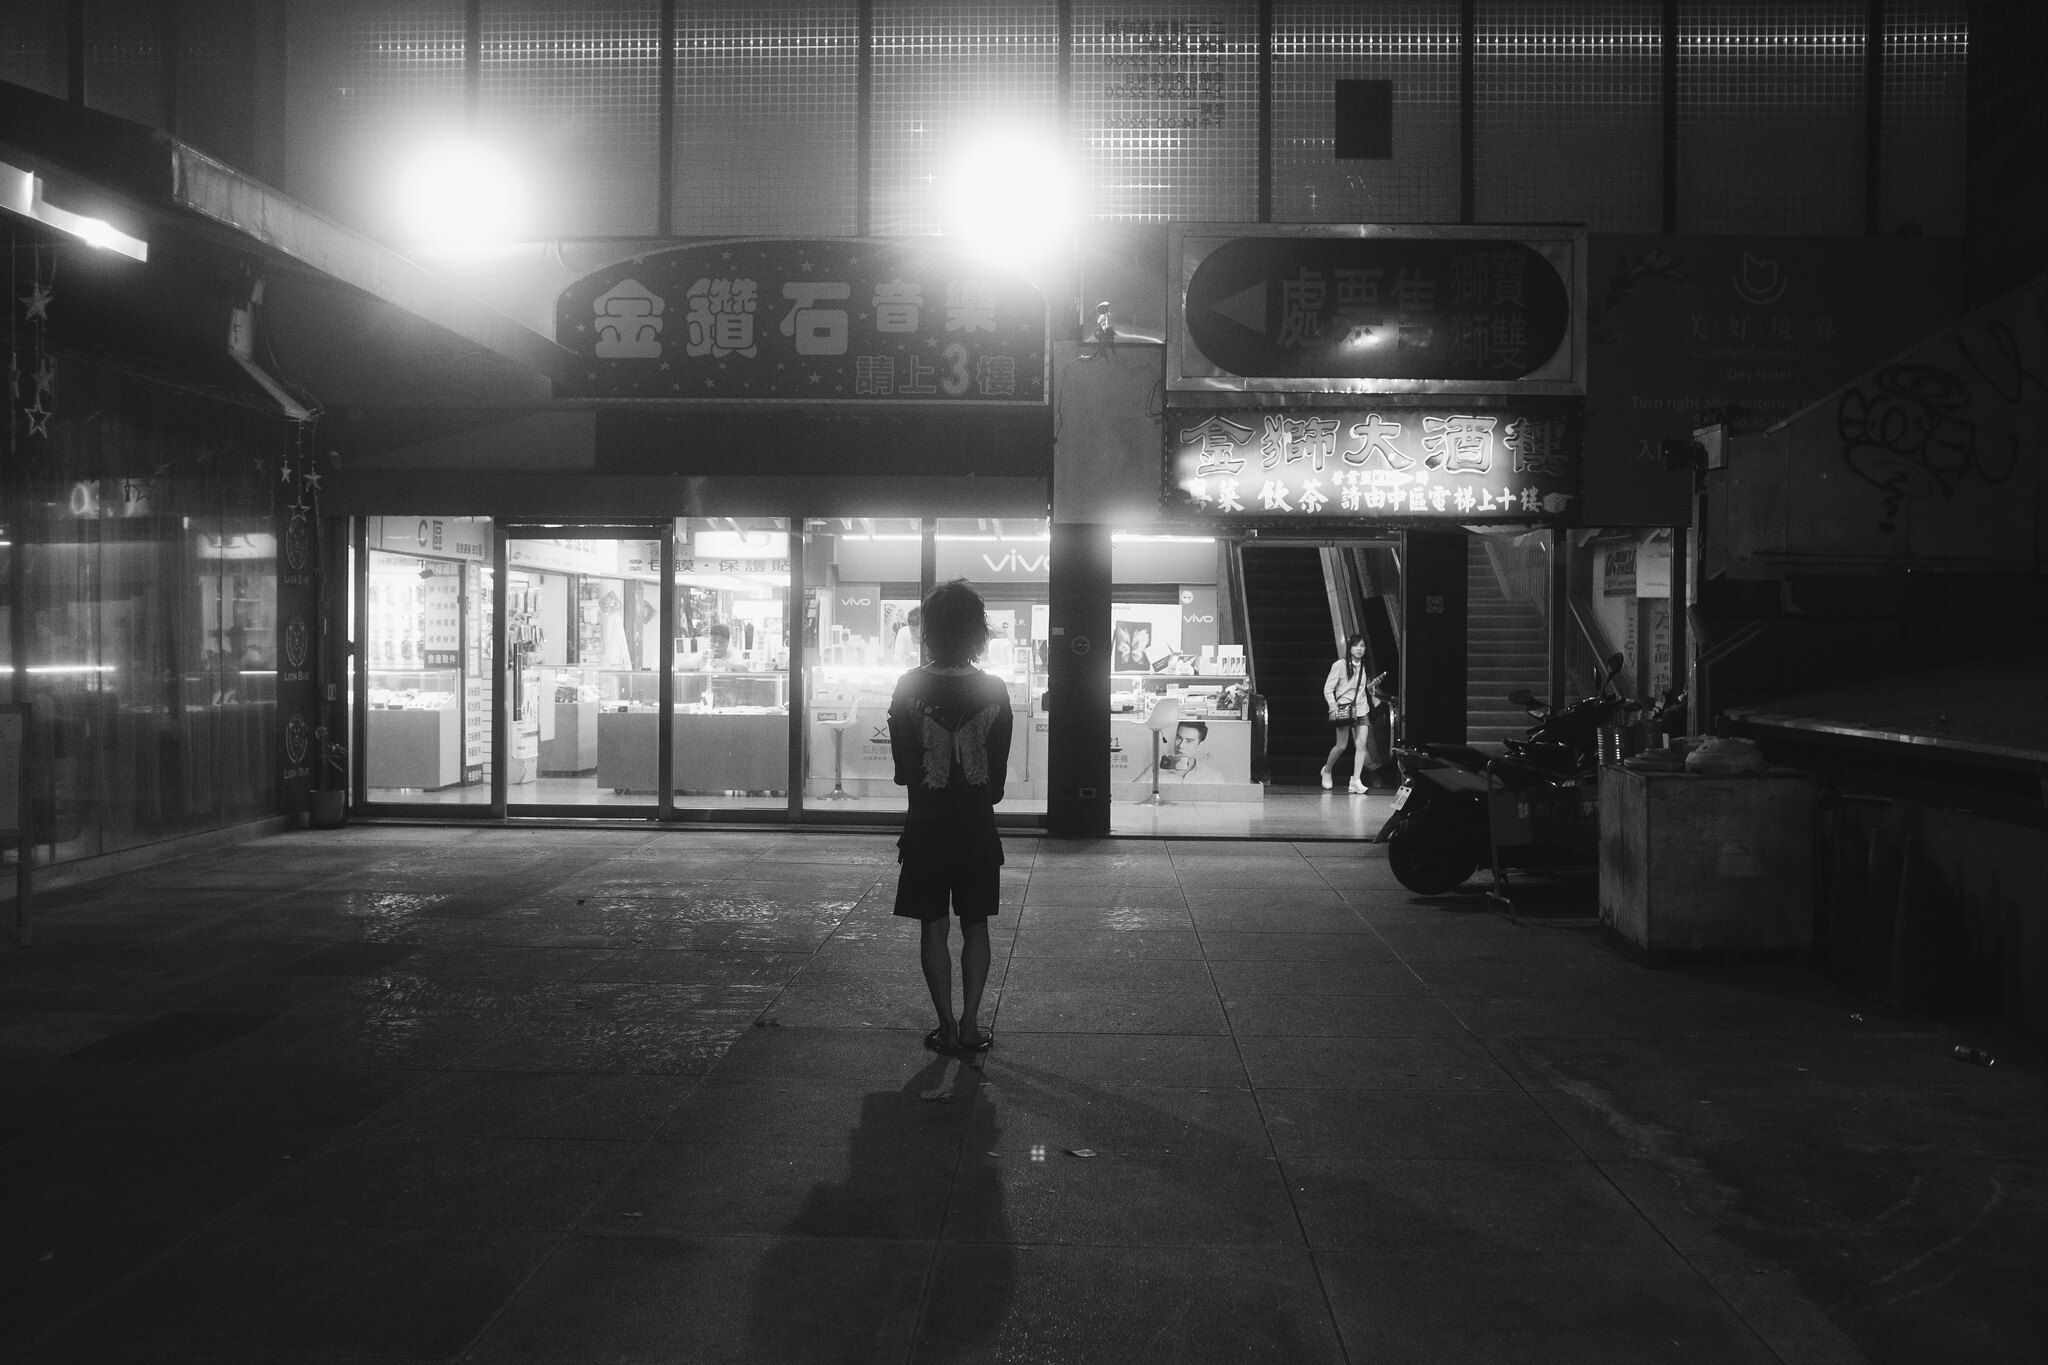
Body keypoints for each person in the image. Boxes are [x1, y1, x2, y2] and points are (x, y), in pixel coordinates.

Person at [888, 579, 1013, 1057]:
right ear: (977, 633)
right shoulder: (995, 688)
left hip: (926, 826)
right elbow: (997, 780)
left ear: (930, 632)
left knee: (933, 925)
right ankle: (971, 1024)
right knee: (976, 925)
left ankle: (943, 1024)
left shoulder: (909, 685)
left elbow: (903, 771)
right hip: (977, 827)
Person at [1321, 633, 1389, 794]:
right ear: (1350, 648)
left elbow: (1363, 690)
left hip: (1361, 709)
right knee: (1341, 745)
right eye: (1356, 645)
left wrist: (1372, 686)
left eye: (1362, 646)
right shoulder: (1340, 665)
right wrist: (1333, 707)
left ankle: (1356, 780)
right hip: (1344, 709)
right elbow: (1328, 688)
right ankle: (1327, 769)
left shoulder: (1364, 667)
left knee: (1361, 744)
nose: (1359, 649)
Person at [1159, 718, 1228, 783]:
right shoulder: (1157, 772)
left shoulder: (1213, 777)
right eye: (1179, 738)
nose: (1180, 746)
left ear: (1199, 745)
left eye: (1189, 741)